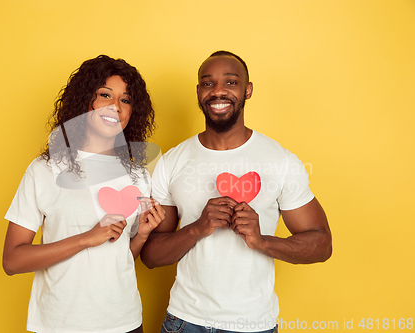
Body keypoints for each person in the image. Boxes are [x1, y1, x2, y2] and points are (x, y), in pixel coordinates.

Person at [140, 51, 332, 333]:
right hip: (185, 321)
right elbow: (150, 256)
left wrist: (263, 241)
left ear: (248, 90)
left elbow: (322, 244)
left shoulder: (280, 161)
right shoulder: (172, 161)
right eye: (208, 83)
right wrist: (197, 228)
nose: (218, 90)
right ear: (198, 92)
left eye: (230, 82)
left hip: (254, 324)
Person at [2, 55, 165, 333]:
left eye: (125, 100)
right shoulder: (47, 169)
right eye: (105, 95)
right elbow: (13, 260)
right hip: (61, 324)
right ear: (83, 102)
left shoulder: (138, 176)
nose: (115, 106)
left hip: (125, 322)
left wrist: (142, 235)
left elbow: (120, 256)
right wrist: (87, 238)